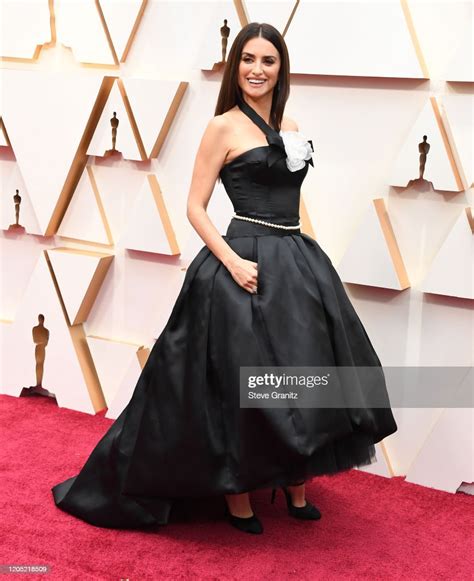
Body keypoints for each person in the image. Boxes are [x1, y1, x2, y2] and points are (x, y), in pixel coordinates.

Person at [52, 22, 397, 535]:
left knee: (303, 372)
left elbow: (288, 197)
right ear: (236, 67)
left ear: (281, 69)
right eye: (248, 60)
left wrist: (301, 253)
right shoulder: (222, 127)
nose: (258, 69)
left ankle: (296, 483)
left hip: (294, 258)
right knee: (236, 381)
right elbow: (194, 207)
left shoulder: (292, 121)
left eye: (268, 61)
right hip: (240, 261)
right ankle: (238, 496)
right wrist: (232, 262)